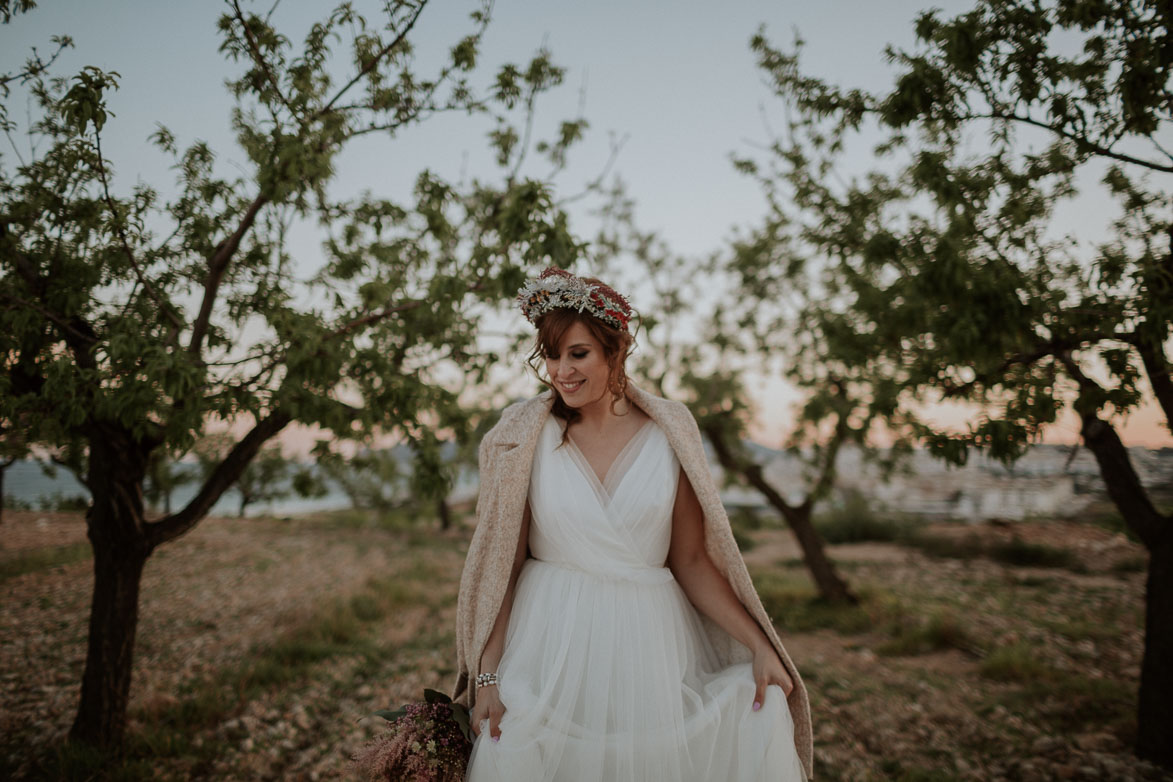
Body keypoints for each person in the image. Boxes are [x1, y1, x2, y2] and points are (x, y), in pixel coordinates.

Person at [452, 268, 813, 781]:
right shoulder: (524, 438)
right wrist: (487, 677)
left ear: (614, 352)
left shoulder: (670, 432)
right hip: (548, 642)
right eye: (551, 355)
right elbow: (501, 567)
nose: (561, 371)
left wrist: (759, 645)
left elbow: (689, 559)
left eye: (578, 354)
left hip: (650, 645)